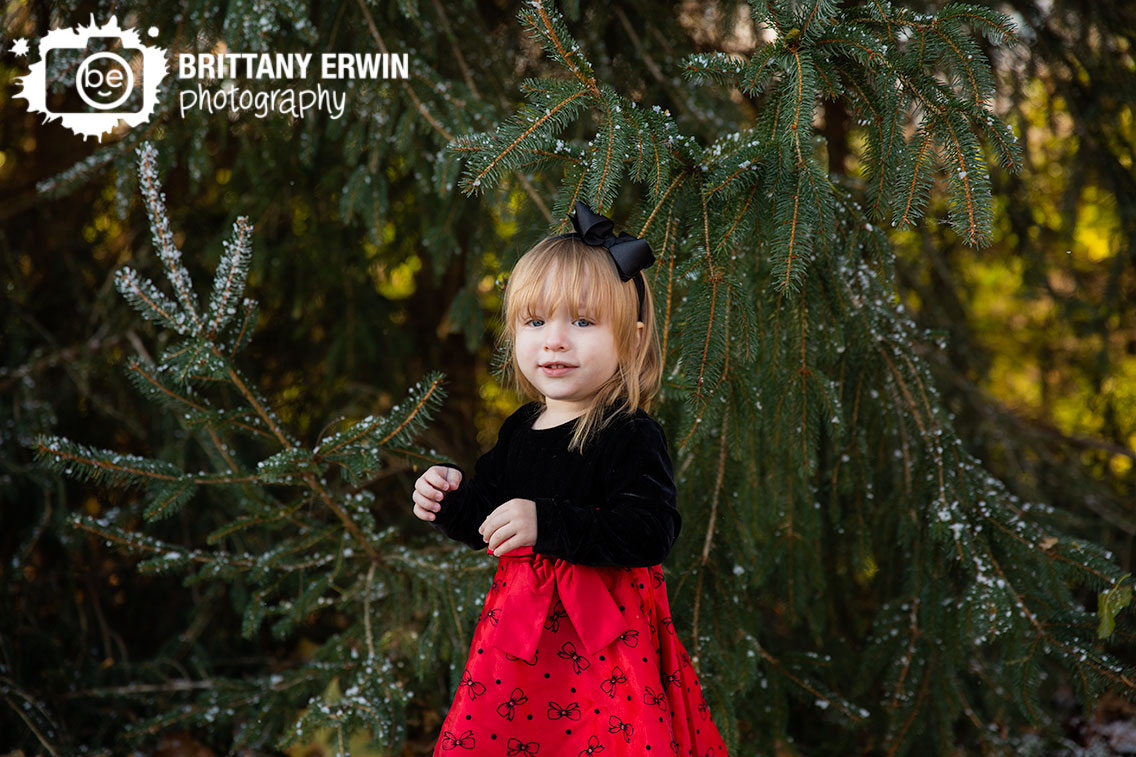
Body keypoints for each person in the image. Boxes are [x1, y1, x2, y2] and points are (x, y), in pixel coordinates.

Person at [413, 201, 729, 756]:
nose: (554, 340)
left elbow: (650, 530)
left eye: (581, 322)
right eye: (535, 322)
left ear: (629, 338)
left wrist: (550, 522)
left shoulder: (627, 431)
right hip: (520, 643)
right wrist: (450, 497)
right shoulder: (522, 427)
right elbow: (491, 517)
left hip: (606, 645)